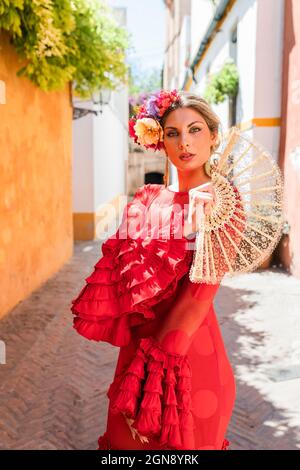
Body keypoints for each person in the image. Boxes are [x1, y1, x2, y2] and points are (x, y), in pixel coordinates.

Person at [71, 90, 244, 450]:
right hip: (137, 352)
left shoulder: (224, 203)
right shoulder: (146, 200)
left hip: (184, 359)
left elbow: (200, 294)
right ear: (159, 141)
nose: (185, 142)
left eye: (196, 130)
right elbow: (123, 282)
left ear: (213, 136)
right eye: (172, 133)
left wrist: (155, 370)